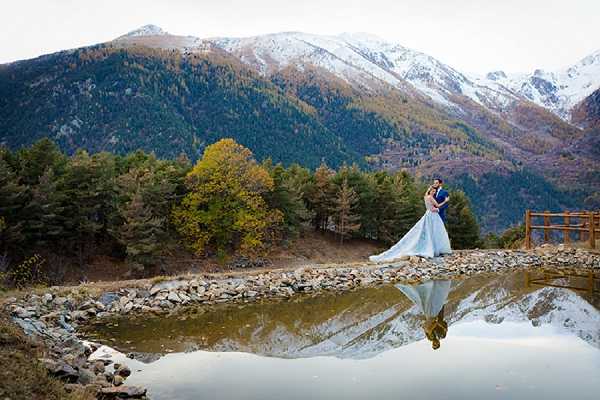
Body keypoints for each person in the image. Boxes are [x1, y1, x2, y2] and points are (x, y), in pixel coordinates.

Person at [369, 186, 452, 261]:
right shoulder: (431, 198)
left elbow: (429, 203)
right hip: (433, 215)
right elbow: (437, 205)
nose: (434, 192)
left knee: (429, 231)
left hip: (428, 214)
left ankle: (433, 247)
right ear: (430, 191)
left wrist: (430, 196)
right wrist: (445, 201)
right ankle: (434, 248)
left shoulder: (426, 197)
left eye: (434, 191)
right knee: (434, 231)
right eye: (433, 191)